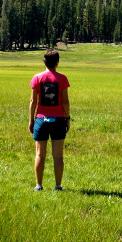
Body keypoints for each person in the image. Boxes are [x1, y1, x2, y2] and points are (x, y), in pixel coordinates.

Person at [29, 48, 70, 191]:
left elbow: (33, 101)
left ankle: (38, 185)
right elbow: (65, 102)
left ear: (44, 62)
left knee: (40, 154)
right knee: (58, 156)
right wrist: (68, 119)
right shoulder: (63, 79)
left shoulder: (37, 78)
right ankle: (58, 186)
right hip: (58, 120)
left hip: (41, 120)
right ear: (57, 63)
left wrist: (31, 121)